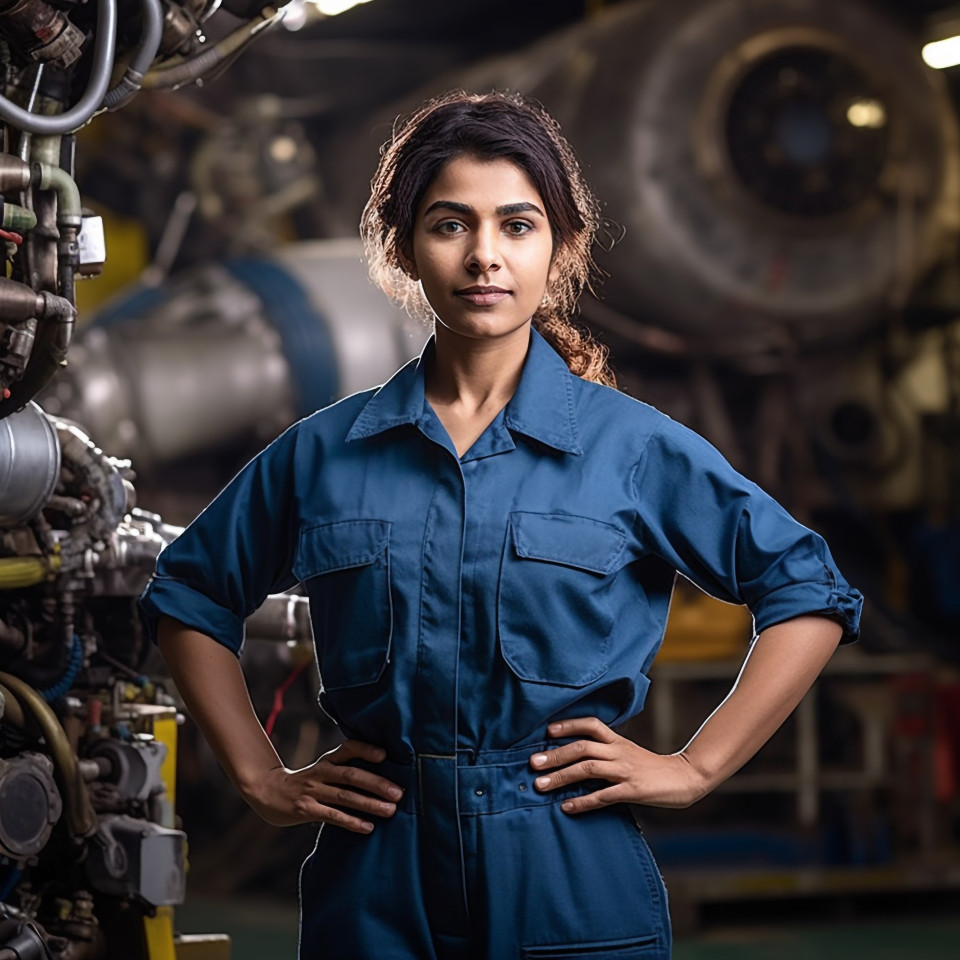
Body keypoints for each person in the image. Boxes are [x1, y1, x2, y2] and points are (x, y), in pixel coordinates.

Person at [139, 90, 862, 960]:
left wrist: (695, 766)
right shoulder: (324, 454)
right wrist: (257, 774)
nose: (485, 256)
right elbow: (188, 593)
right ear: (403, 245)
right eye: (451, 225)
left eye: (517, 225)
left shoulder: (630, 448)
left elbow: (807, 589)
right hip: (378, 870)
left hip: (565, 862)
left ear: (559, 248)